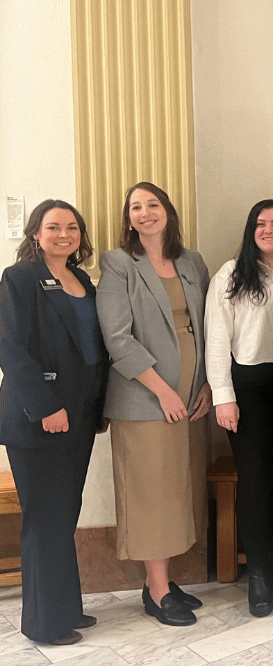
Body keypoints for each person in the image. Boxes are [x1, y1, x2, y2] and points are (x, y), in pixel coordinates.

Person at [96, 182, 212, 627]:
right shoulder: (120, 263)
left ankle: (161, 580)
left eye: (153, 204)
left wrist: (204, 385)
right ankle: (157, 590)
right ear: (128, 218)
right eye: (136, 207)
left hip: (190, 399)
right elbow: (117, 338)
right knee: (151, 495)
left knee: (179, 490)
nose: (145, 213)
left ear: (168, 211)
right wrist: (163, 389)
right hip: (146, 400)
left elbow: (204, 329)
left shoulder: (191, 261)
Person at [0, 201, 108, 646]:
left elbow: (90, 347)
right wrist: (44, 407)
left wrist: (97, 405)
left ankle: (65, 608)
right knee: (45, 517)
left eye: (72, 227)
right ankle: (44, 623)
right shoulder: (20, 277)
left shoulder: (81, 279)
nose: (64, 234)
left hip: (79, 414)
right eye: (53, 227)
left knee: (64, 512)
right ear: (35, 233)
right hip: (38, 418)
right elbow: (10, 348)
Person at [204, 200, 273, 617]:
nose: (268, 229)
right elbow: (217, 341)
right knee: (256, 480)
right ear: (251, 230)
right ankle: (258, 575)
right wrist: (222, 396)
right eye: (260, 223)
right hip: (248, 388)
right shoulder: (231, 275)